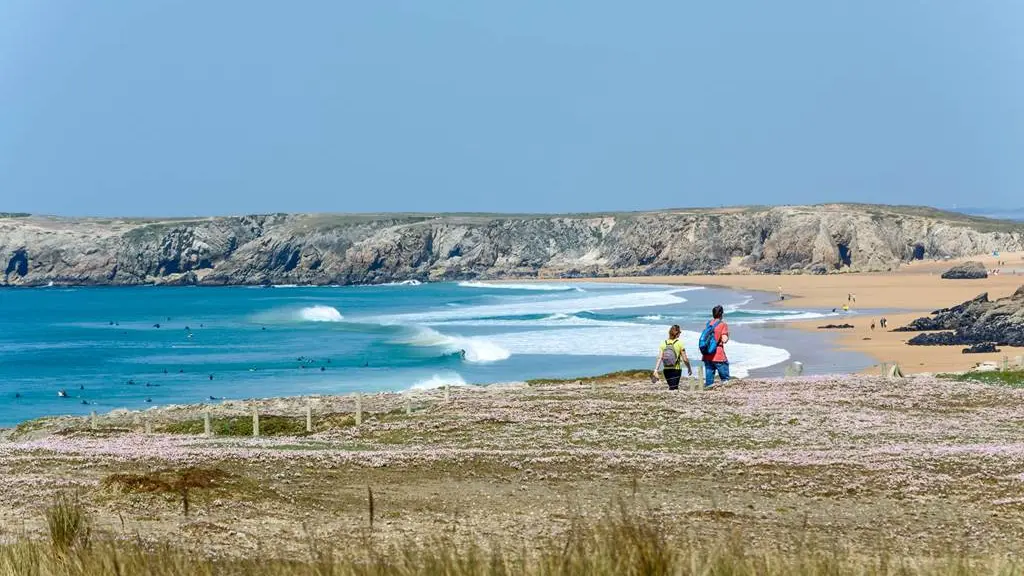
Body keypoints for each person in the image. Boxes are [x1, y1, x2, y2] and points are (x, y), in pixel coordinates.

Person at [653, 325, 692, 390]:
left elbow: (660, 358)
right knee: (674, 388)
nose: (680, 334)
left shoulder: (663, 343)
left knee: (672, 387)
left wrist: (656, 370)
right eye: (679, 332)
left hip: (666, 370)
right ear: (677, 333)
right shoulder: (680, 343)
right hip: (676, 369)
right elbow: (685, 359)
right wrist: (689, 368)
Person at [701, 305, 730, 388]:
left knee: (709, 383)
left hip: (707, 354)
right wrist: (728, 335)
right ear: (721, 314)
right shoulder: (722, 324)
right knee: (725, 380)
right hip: (718, 354)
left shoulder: (708, 324)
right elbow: (724, 340)